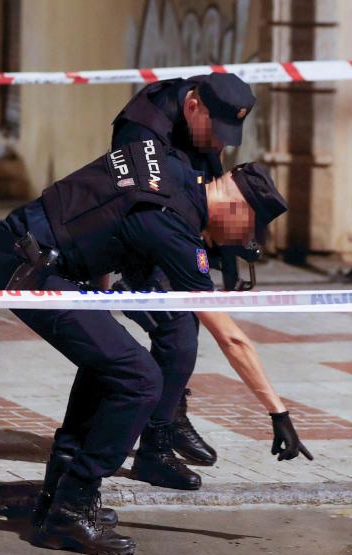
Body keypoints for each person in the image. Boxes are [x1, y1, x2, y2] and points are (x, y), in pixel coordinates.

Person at [0, 140, 310, 555]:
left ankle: (57, 498)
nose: (241, 240)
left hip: (26, 251)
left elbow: (91, 208)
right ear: (237, 207)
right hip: (31, 271)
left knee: (111, 363)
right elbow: (230, 337)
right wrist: (277, 412)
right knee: (140, 379)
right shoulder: (175, 227)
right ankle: (72, 507)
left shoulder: (173, 167)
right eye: (247, 230)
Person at [109, 73, 256, 473]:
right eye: (218, 132)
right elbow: (139, 207)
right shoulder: (142, 128)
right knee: (177, 332)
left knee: (181, 335)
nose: (221, 142)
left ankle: (167, 420)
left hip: (177, 235)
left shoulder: (206, 114)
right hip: (140, 237)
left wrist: (226, 259)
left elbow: (208, 185)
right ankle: (158, 440)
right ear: (193, 107)